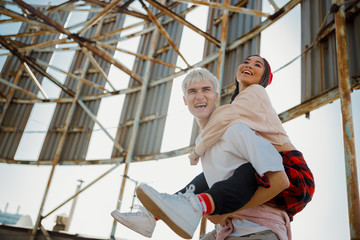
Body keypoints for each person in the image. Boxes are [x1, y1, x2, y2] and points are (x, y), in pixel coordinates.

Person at [112, 55, 314, 239]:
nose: (249, 65)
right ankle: (154, 215)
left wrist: (196, 152)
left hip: (293, 171)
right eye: (246, 61)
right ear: (185, 99)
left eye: (258, 65)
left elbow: (223, 118)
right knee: (207, 179)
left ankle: (193, 207)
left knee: (243, 171)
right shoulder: (236, 109)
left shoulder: (255, 94)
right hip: (240, 214)